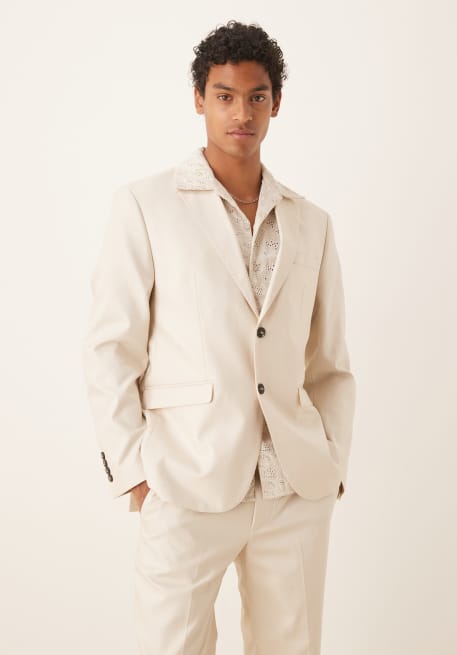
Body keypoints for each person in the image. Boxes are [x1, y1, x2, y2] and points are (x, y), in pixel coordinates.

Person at [82, 19, 356, 655]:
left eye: (257, 96)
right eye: (225, 95)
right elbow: (110, 347)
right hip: (186, 480)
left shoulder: (312, 222)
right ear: (199, 99)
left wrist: (331, 462)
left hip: (294, 489)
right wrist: (134, 471)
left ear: (276, 104)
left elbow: (330, 363)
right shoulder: (147, 205)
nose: (242, 113)